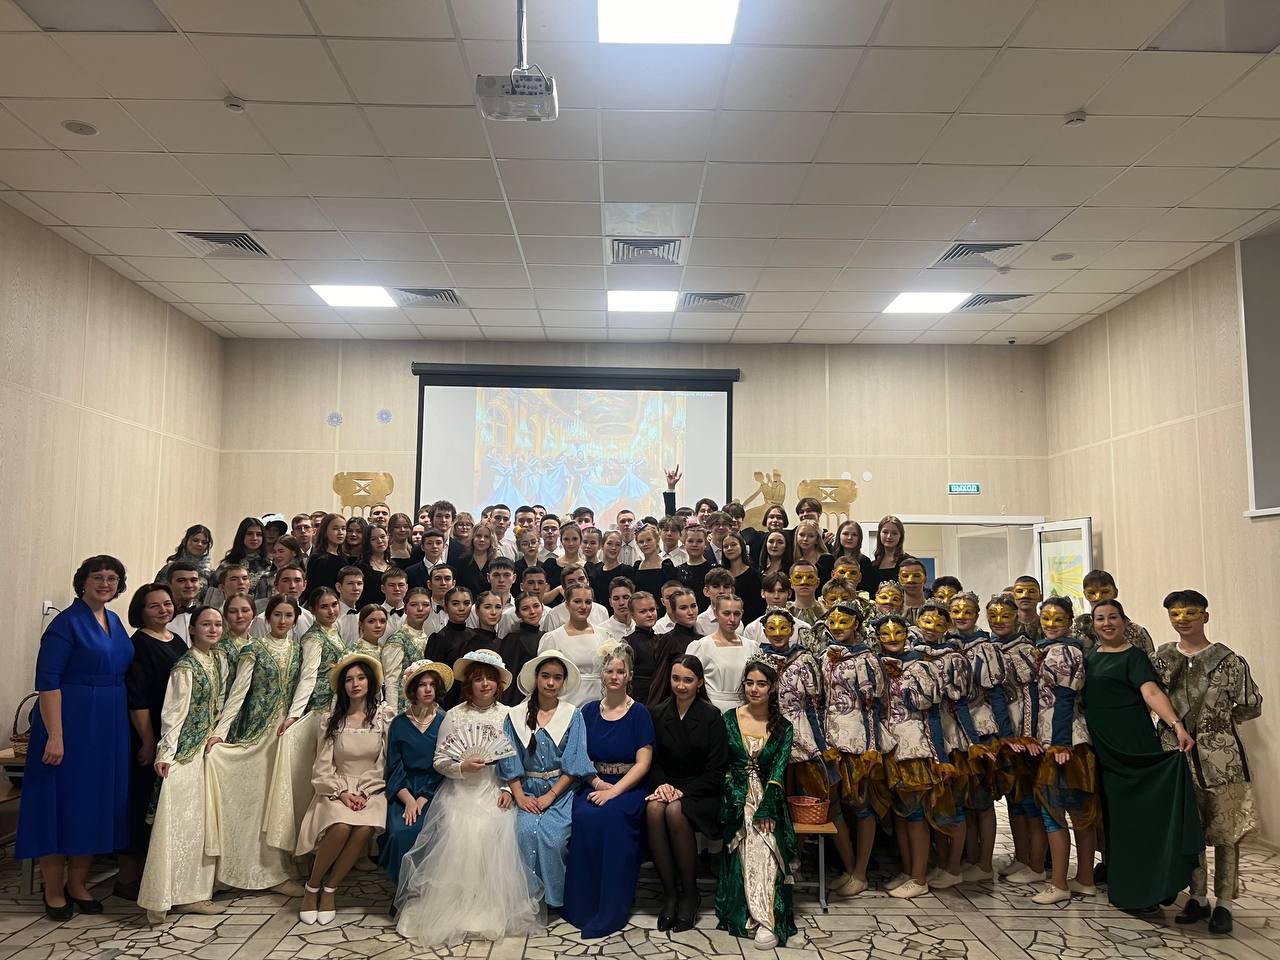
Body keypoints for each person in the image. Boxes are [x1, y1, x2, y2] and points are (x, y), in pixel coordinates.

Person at [395, 650, 542, 946]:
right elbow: (439, 760)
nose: (485, 684)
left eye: (490, 678)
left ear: (499, 684)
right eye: (478, 679)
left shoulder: (509, 715)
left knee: (495, 828)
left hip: (495, 788)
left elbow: (516, 758)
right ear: (469, 684)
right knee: (459, 828)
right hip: (459, 789)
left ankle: (488, 905)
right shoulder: (454, 715)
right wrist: (462, 767)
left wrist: (506, 790)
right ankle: (455, 904)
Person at [17, 555, 133, 920]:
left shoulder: (114, 621)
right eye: (98, 577)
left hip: (108, 723)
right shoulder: (65, 623)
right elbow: (48, 682)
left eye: (112, 578)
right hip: (71, 722)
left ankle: (78, 883)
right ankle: (53, 889)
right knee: (59, 802)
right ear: (83, 581)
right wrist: (55, 735)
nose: (105, 583)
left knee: (92, 803)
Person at [1083, 595, 1201, 913]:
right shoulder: (1089, 657)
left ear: (1124, 622)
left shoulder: (1134, 656)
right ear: (1093, 625)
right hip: (1104, 748)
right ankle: (1128, 883)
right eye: (1100, 618)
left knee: (1142, 816)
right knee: (1117, 820)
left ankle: (1153, 887)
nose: (1107, 623)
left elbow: (1150, 691)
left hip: (1133, 745)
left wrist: (1176, 725)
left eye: (1113, 617)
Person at [1154, 590, 1262, 935]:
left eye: (1190, 612)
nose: (1182, 619)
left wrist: (1217, 725)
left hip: (1222, 760)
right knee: (1190, 829)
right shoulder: (1162, 658)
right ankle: (1197, 896)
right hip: (1175, 756)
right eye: (1175, 614)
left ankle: (1225, 903)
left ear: (1205, 616)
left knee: (1227, 832)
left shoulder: (1228, 660)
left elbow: (1250, 704)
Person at [204, 594, 317, 897]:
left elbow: (304, 687)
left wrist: (293, 718)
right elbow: (238, 694)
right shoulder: (253, 649)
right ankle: (244, 869)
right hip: (257, 734)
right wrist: (220, 733)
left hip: (285, 736)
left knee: (278, 803)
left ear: (295, 620)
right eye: (277, 615)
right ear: (267, 618)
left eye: (288, 616)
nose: (282, 621)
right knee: (254, 804)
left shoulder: (297, 651)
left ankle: (277, 870)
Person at [138, 605, 227, 923]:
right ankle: (170, 894)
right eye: (206, 624)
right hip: (185, 754)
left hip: (206, 753)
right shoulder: (185, 667)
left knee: (200, 825)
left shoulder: (217, 660)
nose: (213, 630)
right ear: (192, 629)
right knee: (181, 825)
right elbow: (173, 714)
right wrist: (165, 754)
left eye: (217, 624)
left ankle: (197, 891)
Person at [562, 644, 655, 939]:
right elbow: (579, 756)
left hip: (628, 786)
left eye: (620, 671)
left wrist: (614, 792)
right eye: (610, 671)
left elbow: (643, 763)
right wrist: (596, 784)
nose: (615, 676)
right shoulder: (588, 711)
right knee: (583, 816)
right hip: (593, 782)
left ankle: (611, 907)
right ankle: (581, 906)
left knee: (611, 818)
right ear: (602, 674)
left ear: (629, 676)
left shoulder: (639, 713)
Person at [296, 653, 394, 925]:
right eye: (349, 680)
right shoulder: (332, 720)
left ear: (370, 682)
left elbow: (384, 762)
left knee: (363, 828)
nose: (355, 684)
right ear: (343, 686)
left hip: (371, 789)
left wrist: (365, 791)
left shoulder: (384, 718)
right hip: (336, 787)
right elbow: (322, 766)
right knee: (340, 826)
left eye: (361, 678)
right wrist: (341, 792)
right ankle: (312, 887)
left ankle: (330, 889)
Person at [498, 652, 596, 914]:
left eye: (557, 678)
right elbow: (508, 758)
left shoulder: (572, 715)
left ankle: (554, 899)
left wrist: (551, 795)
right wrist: (520, 796)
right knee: (524, 833)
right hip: (527, 790)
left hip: (561, 792)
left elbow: (574, 762)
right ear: (536, 678)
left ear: (563, 682)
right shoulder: (515, 716)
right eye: (545, 676)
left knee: (552, 838)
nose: (551, 683)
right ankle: (528, 897)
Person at [716, 657, 797, 950]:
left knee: (765, 839)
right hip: (735, 797)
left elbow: (778, 772)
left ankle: (766, 919)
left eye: (761, 684)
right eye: (749, 683)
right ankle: (756, 915)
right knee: (750, 836)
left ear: (772, 688)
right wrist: (737, 797)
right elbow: (723, 765)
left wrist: (767, 808)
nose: (754, 689)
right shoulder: (729, 719)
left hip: (769, 799)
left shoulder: (783, 727)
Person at [646, 655, 729, 931]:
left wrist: (682, 791)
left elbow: (717, 770)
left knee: (673, 810)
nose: (681, 685)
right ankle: (670, 893)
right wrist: (662, 785)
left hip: (702, 791)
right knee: (654, 808)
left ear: (700, 682)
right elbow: (652, 761)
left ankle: (690, 894)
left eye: (688, 680)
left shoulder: (711, 716)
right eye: (676, 678)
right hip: (667, 786)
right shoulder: (658, 713)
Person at [119, 583, 188, 899]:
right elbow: (137, 699)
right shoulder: (139, 644)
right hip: (149, 734)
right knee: (140, 802)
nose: (163, 609)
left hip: (172, 734)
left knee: (161, 804)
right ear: (141, 611)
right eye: (154, 605)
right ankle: (127, 877)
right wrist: (148, 741)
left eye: (167, 603)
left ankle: (155, 874)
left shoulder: (176, 640)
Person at [810, 603, 883, 897]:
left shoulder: (866, 659)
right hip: (830, 741)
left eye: (844, 621)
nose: (838, 626)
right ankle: (849, 867)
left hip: (857, 741)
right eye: (833, 621)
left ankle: (861, 872)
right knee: (834, 805)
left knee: (861, 804)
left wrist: (872, 747)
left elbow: (873, 707)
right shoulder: (825, 657)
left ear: (856, 623)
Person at [1031, 596, 1100, 905]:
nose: (1050, 624)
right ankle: (1084, 879)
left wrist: (1060, 742)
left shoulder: (1063, 652)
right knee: (1080, 813)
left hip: (1065, 741)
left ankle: (1058, 882)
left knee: (1054, 812)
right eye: (1046, 618)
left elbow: (1065, 699)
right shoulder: (1056, 649)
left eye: (1058, 619)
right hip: (1067, 739)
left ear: (1070, 621)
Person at [874, 614, 940, 900]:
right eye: (885, 634)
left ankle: (919, 876)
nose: (892, 639)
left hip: (913, 744)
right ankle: (907, 869)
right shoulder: (877, 664)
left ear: (907, 634)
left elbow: (929, 708)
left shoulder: (920, 666)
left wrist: (939, 754)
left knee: (915, 812)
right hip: (888, 743)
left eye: (898, 633)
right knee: (898, 813)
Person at [379, 659, 450, 887]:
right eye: (422, 684)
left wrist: (423, 798)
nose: (428, 689)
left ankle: (428, 889)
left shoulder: (445, 721)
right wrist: (409, 800)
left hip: (436, 789)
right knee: (400, 832)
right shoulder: (399, 723)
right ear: (412, 689)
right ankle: (402, 889)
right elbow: (394, 767)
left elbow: (445, 765)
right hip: (403, 788)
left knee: (434, 830)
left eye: (432, 684)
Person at [539, 584, 610, 708]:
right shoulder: (553, 638)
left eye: (588, 602)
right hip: (568, 704)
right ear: (567, 604)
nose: (583, 607)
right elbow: (544, 677)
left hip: (601, 703)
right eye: (577, 601)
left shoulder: (604, 635)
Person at [686, 594, 752, 712]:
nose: (732, 619)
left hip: (745, 710)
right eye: (726, 613)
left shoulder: (752, 647)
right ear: (716, 613)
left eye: (737, 614)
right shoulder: (701, 647)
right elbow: (688, 681)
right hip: (711, 710)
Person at [1074, 569, 1155, 657]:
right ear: (1085, 594)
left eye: (1105, 592)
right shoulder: (1077, 630)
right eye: (1092, 593)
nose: (1099, 598)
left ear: (1115, 592)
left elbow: (1149, 661)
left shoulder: (1136, 632)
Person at [381, 588, 431, 710]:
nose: (420, 609)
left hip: (423, 703)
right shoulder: (398, 639)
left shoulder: (426, 636)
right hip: (404, 706)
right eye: (414, 605)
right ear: (405, 609)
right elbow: (391, 680)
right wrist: (392, 714)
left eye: (425, 605)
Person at [299, 588, 346, 714]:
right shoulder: (313, 638)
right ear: (312, 610)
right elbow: (307, 676)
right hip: (320, 703)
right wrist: (295, 714)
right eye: (324, 607)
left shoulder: (332, 630)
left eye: (334, 605)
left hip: (336, 699)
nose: (331, 611)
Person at [497, 590, 546, 706]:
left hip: (543, 695)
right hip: (518, 700)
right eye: (525, 609)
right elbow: (508, 676)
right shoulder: (513, 639)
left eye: (536, 606)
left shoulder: (546, 636)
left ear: (542, 608)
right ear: (518, 614)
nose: (532, 612)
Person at [156, 524, 214, 596]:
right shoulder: (169, 569)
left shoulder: (210, 573)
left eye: (204, 542)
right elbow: (157, 595)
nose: (199, 544)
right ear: (185, 541)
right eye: (195, 540)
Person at [220, 517, 271, 598]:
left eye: (258, 534)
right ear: (241, 536)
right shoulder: (227, 564)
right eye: (249, 534)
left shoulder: (268, 565)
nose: (254, 538)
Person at [720, 532, 764, 623]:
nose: (729, 548)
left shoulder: (754, 575)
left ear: (742, 546)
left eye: (733, 545)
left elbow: (758, 605)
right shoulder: (721, 575)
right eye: (725, 546)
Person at [307, 514, 349, 594]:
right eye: (335, 529)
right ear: (325, 532)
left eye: (343, 529)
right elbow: (314, 589)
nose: (340, 532)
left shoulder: (344, 558)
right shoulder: (319, 559)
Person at [868, 515, 907, 592]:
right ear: (879, 534)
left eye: (894, 533)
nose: (889, 536)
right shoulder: (873, 566)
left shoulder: (908, 562)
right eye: (885, 532)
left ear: (900, 536)